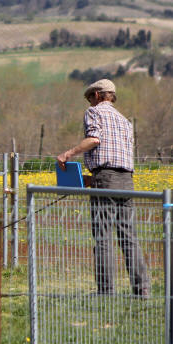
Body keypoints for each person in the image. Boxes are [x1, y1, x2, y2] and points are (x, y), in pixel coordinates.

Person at [56, 79, 150, 297]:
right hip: (127, 180)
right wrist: (93, 178)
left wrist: (68, 154)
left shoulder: (94, 112)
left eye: (90, 97)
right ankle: (141, 288)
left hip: (105, 178)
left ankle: (106, 290)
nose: (89, 101)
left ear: (98, 95)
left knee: (103, 236)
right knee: (128, 235)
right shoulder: (125, 121)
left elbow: (95, 139)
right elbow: (118, 157)